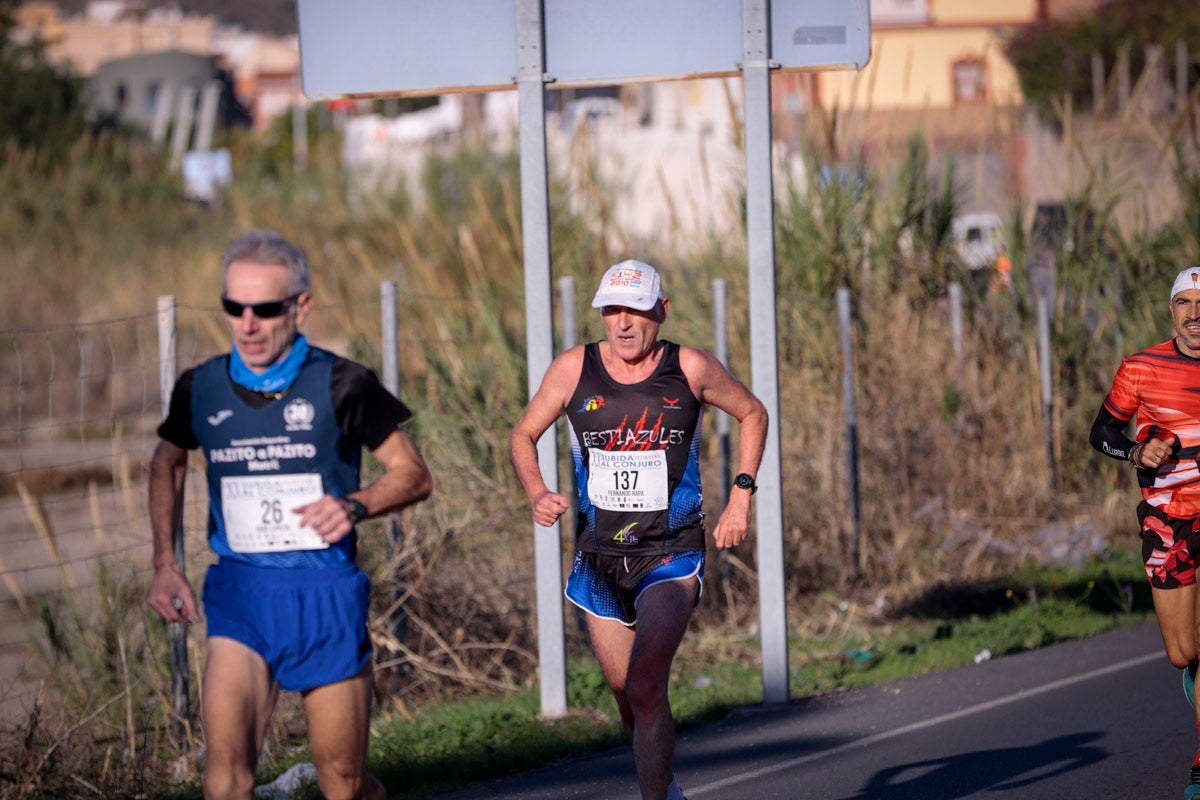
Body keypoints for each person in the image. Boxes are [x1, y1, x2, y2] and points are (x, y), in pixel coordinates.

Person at [146, 230, 434, 800]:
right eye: (234, 307)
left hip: (324, 593)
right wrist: (164, 562)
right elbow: (167, 462)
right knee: (225, 782)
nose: (247, 323)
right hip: (241, 593)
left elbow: (414, 475)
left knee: (344, 785)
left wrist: (355, 504)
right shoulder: (199, 387)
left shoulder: (343, 382)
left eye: (265, 309)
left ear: (301, 306)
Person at [508, 259, 768, 800]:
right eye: (612, 310)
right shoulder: (572, 370)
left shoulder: (690, 368)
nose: (623, 323)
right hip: (598, 558)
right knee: (628, 696)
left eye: (636, 310)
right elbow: (523, 435)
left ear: (662, 311)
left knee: (648, 683)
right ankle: (665, 786)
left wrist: (741, 495)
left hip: (670, 553)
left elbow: (753, 412)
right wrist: (537, 492)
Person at [1090, 265, 1200, 800]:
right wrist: (1136, 450)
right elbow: (1102, 431)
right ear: (1172, 310)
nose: (1196, 313)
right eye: (1186, 303)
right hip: (1168, 517)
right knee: (1184, 652)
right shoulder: (1140, 367)